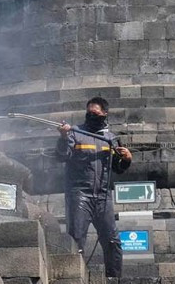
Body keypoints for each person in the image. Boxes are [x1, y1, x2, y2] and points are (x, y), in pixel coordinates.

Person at [56, 96, 133, 279]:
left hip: (103, 197)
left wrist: (127, 159)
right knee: (76, 239)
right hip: (80, 195)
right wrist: (63, 137)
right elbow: (61, 156)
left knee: (112, 241)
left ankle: (114, 279)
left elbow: (117, 168)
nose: (91, 115)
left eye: (95, 113)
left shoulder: (111, 139)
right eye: (88, 112)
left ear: (104, 114)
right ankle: (75, 279)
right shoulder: (75, 133)